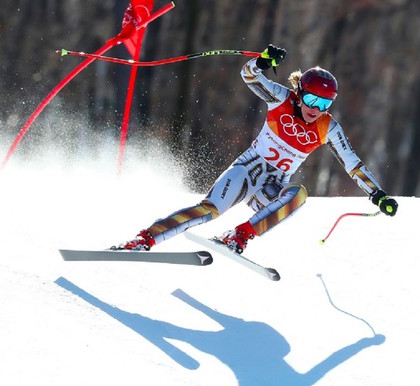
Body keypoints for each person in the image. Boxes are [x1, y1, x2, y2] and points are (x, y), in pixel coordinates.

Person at [115, 44, 398, 254]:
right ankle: (145, 238)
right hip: (246, 171)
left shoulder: (328, 128)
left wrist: (377, 193)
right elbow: (249, 76)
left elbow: (353, 164)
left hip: (271, 188)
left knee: (299, 194)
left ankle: (239, 236)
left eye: (325, 104)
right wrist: (262, 61)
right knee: (209, 211)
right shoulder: (282, 99)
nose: (316, 109)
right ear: (300, 93)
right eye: (312, 100)